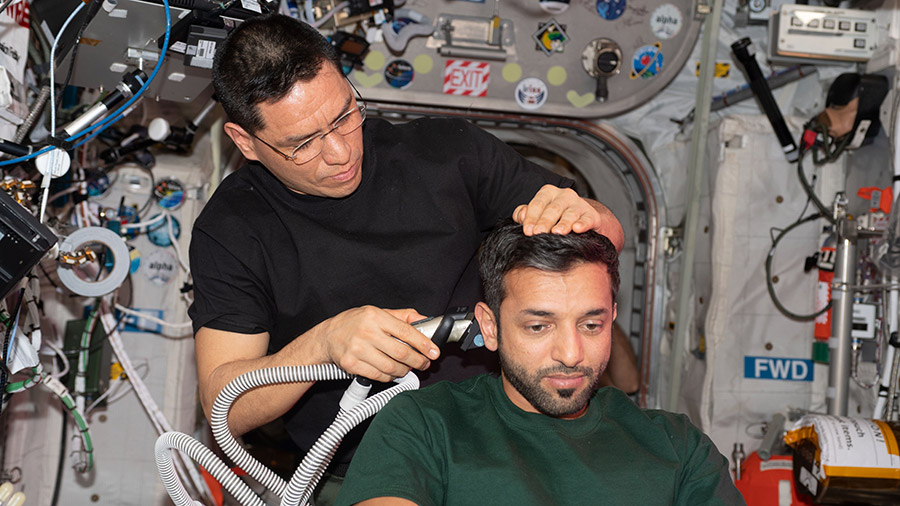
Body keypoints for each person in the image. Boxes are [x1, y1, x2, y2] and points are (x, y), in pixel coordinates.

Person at [188, 13, 624, 500]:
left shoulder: (447, 154)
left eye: (344, 116)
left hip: (505, 437)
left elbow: (605, 233)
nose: (338, 152)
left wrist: (585, 213)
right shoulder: (231, 229)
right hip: (357, 467)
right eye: (303, 144)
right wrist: (321, 347)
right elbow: (224, 406)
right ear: (245, 142)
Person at [335, 219, 745, 506]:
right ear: (489, 327)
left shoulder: (679, 447)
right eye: (538, 327)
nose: (570, 354)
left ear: (613, 318)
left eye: (590, 324)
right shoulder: (424, 424)